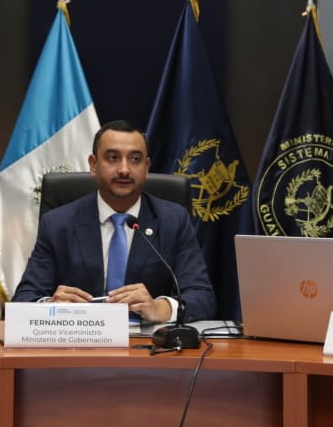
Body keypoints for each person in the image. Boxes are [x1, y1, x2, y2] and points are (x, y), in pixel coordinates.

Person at [12, 120, 216, 322]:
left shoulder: (173, 221)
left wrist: (160, 308)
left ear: (146, 167)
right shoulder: (57, 224)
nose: (124, 169)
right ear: (93, 165)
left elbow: (202, 297)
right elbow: (25, 298)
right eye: (112, 158)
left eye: (135, 159)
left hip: (148, 341)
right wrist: (50, 306)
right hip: (81, 338)